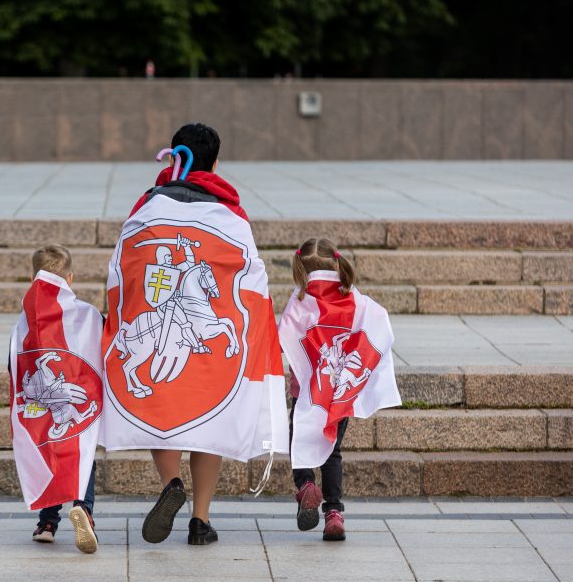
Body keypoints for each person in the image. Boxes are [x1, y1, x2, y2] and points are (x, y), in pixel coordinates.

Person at [128, 123, 254, 546]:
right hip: (207, 326)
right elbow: (250, 277)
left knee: (162, 409)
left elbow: (125, 269)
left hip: (161, 315)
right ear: (216, 161)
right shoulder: (230, 212)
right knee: (209, 417)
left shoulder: (148, 205)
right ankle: (200, 520)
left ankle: (170, 484)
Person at [282, 237, 398, 542]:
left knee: (301, 440)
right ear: (336, 264)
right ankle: (334, 512)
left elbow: (287, 337)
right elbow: (378, 321)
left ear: (302, 271)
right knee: (332, 451)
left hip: (307, 390)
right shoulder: (354, 298)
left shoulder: (300, 299)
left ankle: (306, 485)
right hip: (340, 392)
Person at [16, 245, 99, 553]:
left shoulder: (25, 322)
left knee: (49, 452)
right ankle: (84, 510)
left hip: (40, 403)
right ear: (70, 278)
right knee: (83, 451)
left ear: (32, 278)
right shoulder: (87, 314)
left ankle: (48, 522)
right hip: (77, 397)